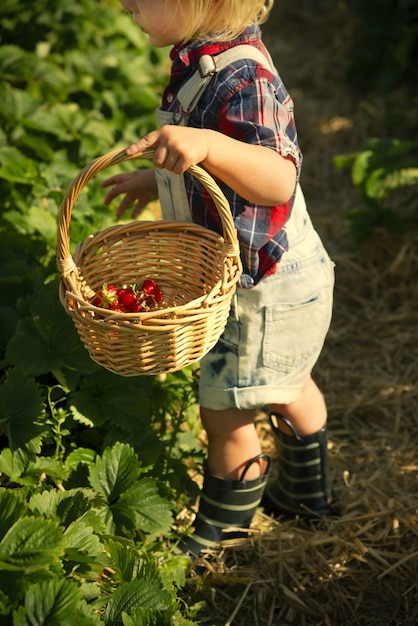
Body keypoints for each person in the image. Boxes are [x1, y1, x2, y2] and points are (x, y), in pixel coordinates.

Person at [102, 0, 337, 557]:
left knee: (226, 410)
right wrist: (158, 180)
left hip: (261, 287)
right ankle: (311, 498)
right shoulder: (201, 56)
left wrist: (210, 145)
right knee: (290, 383)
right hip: (280, 278)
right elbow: (214, 166)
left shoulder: (246, 76)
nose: (125, 2)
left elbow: (278, 178)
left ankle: (222, 536)